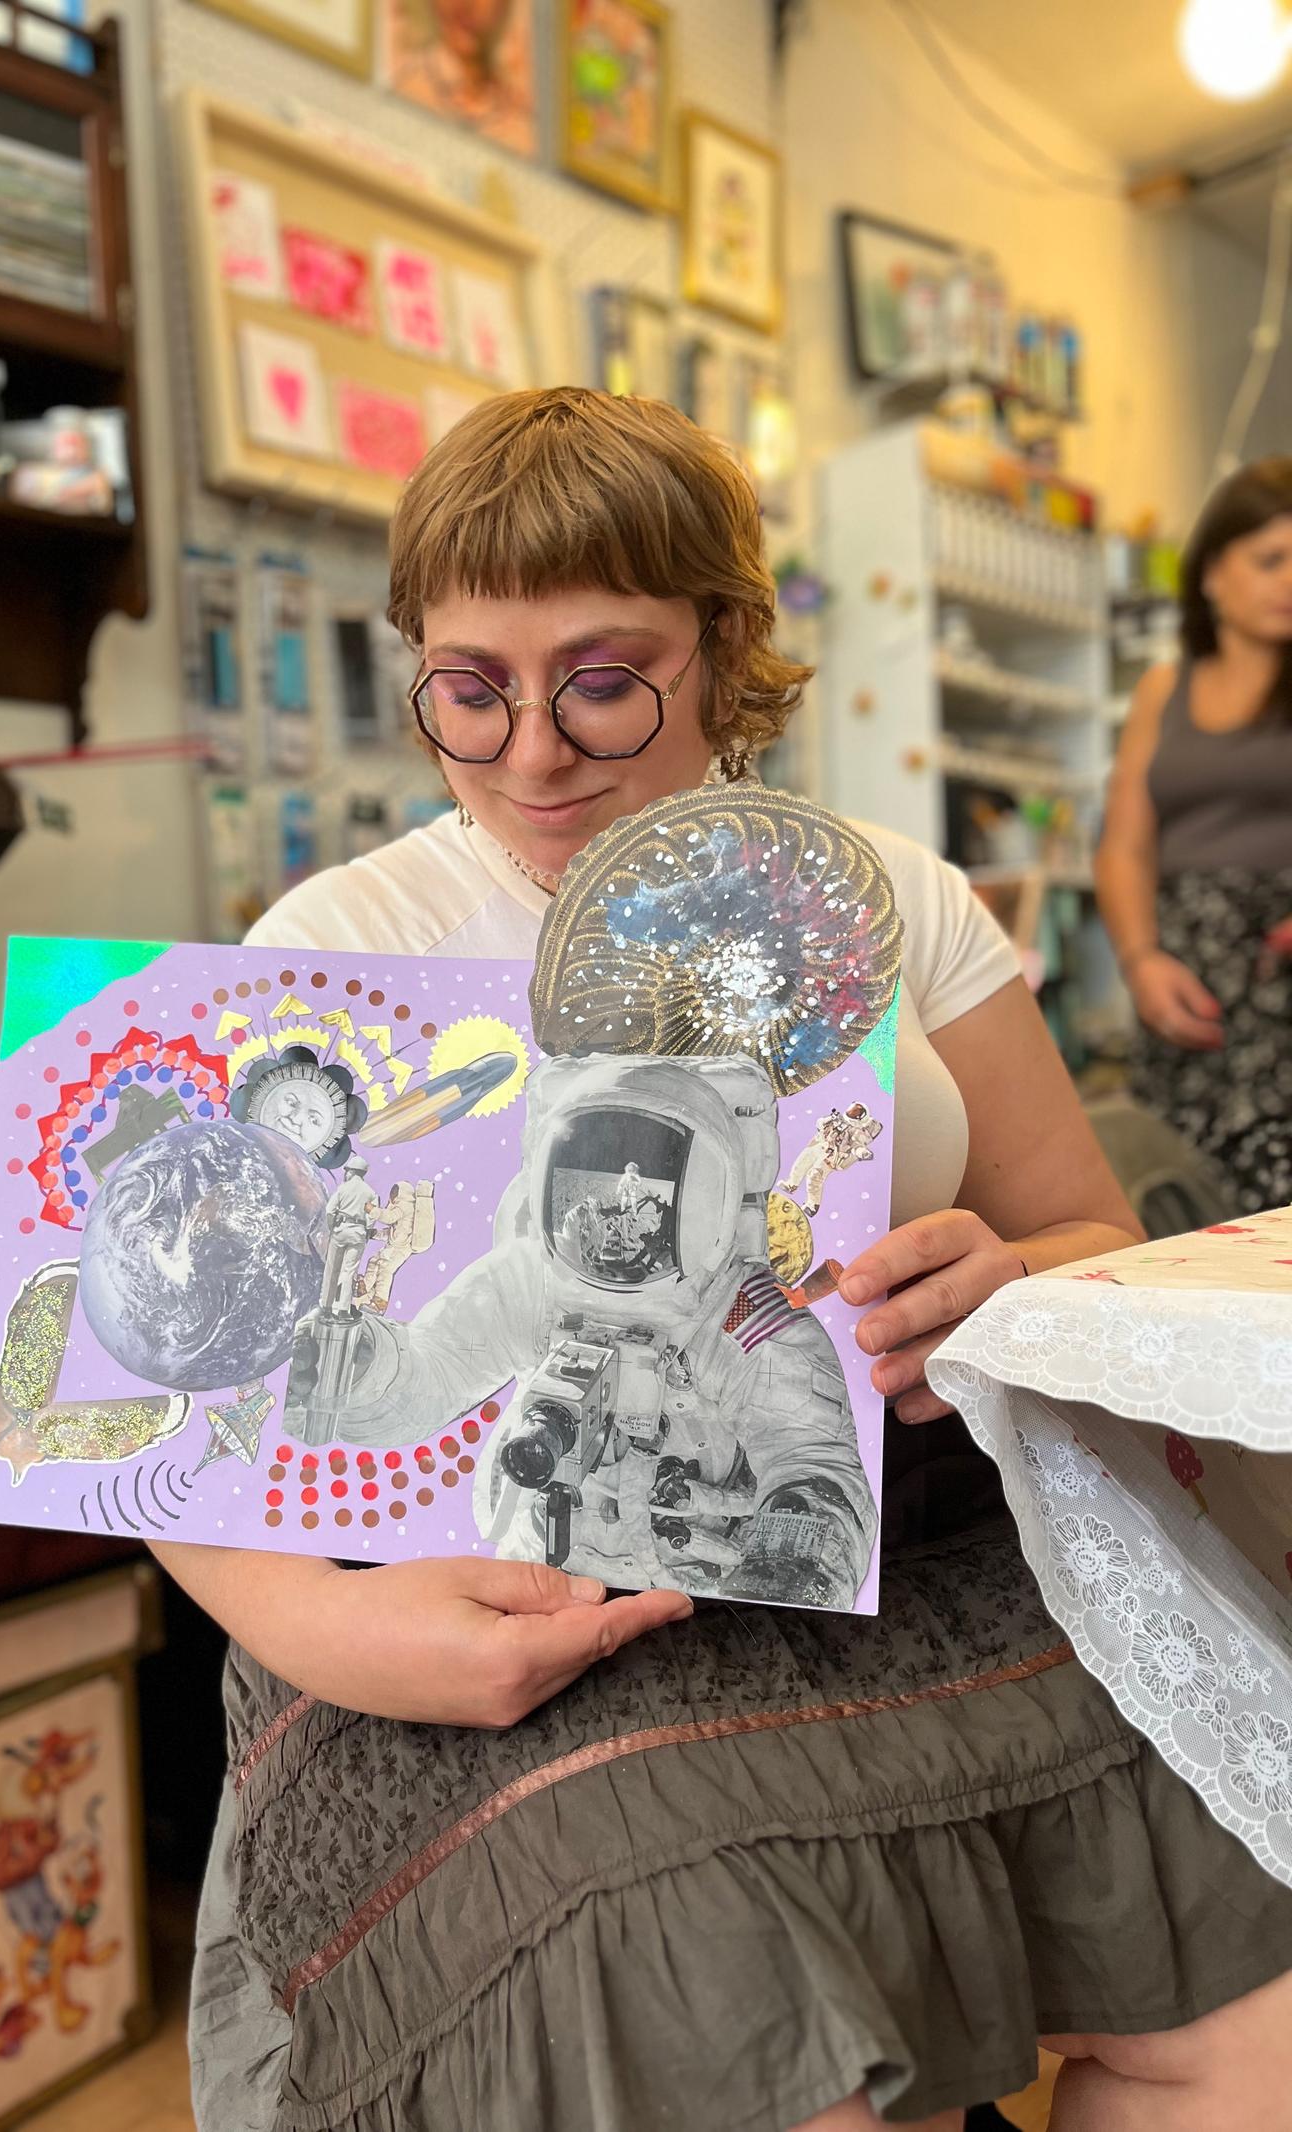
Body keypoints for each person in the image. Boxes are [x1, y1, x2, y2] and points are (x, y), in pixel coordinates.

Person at [157, 390, 1292, 2132]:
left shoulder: (889, 894)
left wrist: (999, 1274)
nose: (532, 753)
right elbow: (186, 1415)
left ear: (726, 647)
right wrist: (335, 1629)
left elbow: (1088, 1235)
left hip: (914, 1547)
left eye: (603, 681)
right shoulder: (338, 946)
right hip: (512, 1607)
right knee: (744, 2037)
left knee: (1259, 2000)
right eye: (469, 687)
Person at [1097, 458, 1292, 1213]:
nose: (1289, 581)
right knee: (1178, 1204)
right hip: (1184, 985)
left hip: (1280, 976)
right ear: (1212, 573)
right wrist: (1141, 960)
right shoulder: (1164, 690)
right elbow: (1124, 845)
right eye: (1270, 559)